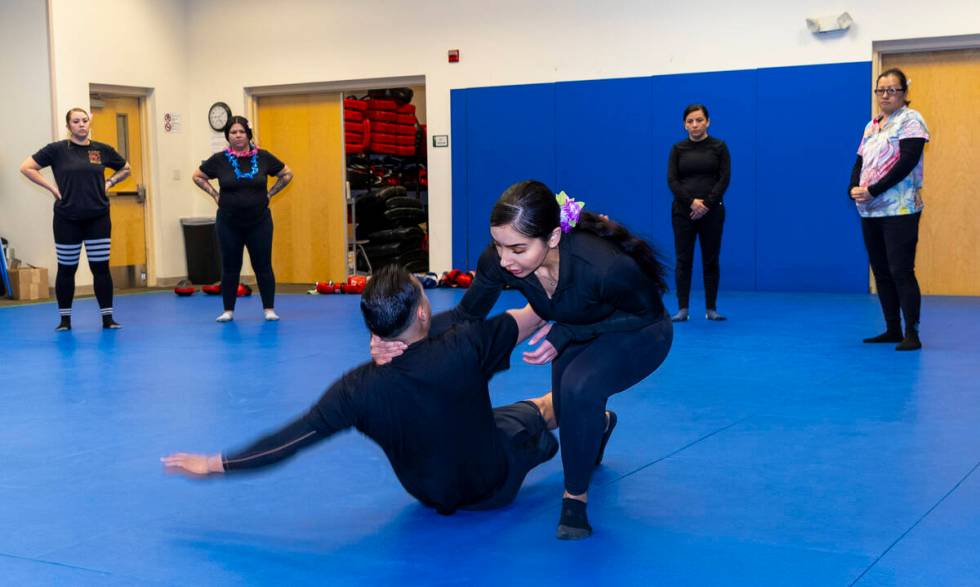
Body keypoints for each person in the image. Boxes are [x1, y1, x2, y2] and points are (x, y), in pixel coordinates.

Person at [373, 180, 673, 539]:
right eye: (499, 245)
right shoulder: (500, 262)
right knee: (567, 408)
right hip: (579, 326)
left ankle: (574, 498)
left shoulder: (604, 265)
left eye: (517, 248)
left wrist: (567, 333)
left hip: (639, 332)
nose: (504, 260)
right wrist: (403, 338)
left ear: (552, 238)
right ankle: (600, 424)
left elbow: (647, 313)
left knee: (579, 388)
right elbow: (467, 317)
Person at [163, 264, 559, 516]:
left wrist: (214, 463)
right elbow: (536, 314)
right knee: (541, 408)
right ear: (423, 312)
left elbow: (290, 440)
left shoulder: (357, 389)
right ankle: (596, 419)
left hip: (426, 492)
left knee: (487, 419)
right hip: (490, 484)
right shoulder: (468, 345)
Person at [20, 108, 131, 331]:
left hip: (97, 218)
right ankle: (65, 320)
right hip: (66, 219)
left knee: (100, 268)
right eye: (76, 121)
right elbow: (26, 167)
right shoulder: (57, 150)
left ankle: (107, 319)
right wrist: (51, 187)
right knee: (66, 268)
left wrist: (110, 183)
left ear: (89, 123)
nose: (81, 124)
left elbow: (126, 168)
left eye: (84, 121)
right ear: (68, 126)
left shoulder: (102, 150)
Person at [848, 68, 929, 351]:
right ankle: (892, 329)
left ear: (904, 93)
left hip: (900, 209)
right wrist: (853, 187)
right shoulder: (872, 126)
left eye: (892, 89)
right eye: (880, 90)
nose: (885, 95)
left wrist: (873, 190)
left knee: (901, 270)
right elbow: (860, 162)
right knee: (881, 271)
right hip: (870, 211)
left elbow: (906, 162)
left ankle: (912, 333)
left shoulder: (911, 120)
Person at [192, 116, 293, 322]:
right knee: (230, 266)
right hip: (229, 222)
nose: (237, 136)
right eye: (233, 132)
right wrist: (214, 194)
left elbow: (287, 174)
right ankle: (228, 310)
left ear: (248, 134)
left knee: (263, 265)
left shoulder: (263, 157)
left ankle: (269, 309)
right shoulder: (219, 159)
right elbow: (197, 176)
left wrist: (271, 193)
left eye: (241, 132)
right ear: (227, 136)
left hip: (259, 222)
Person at [666, 103, 731, 322]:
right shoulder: (677, 149)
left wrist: (706, 205)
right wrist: (691, 203)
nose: (695, 125)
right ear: (684, 125)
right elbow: (672, 181)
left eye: (699, 120)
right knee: (683, 260)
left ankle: (711, 308)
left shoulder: (719, 147)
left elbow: (724, 179)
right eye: (690, 121)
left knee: (710, 260)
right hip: (683, 213)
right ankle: (682, 308)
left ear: (708, 122)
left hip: (712, 213)